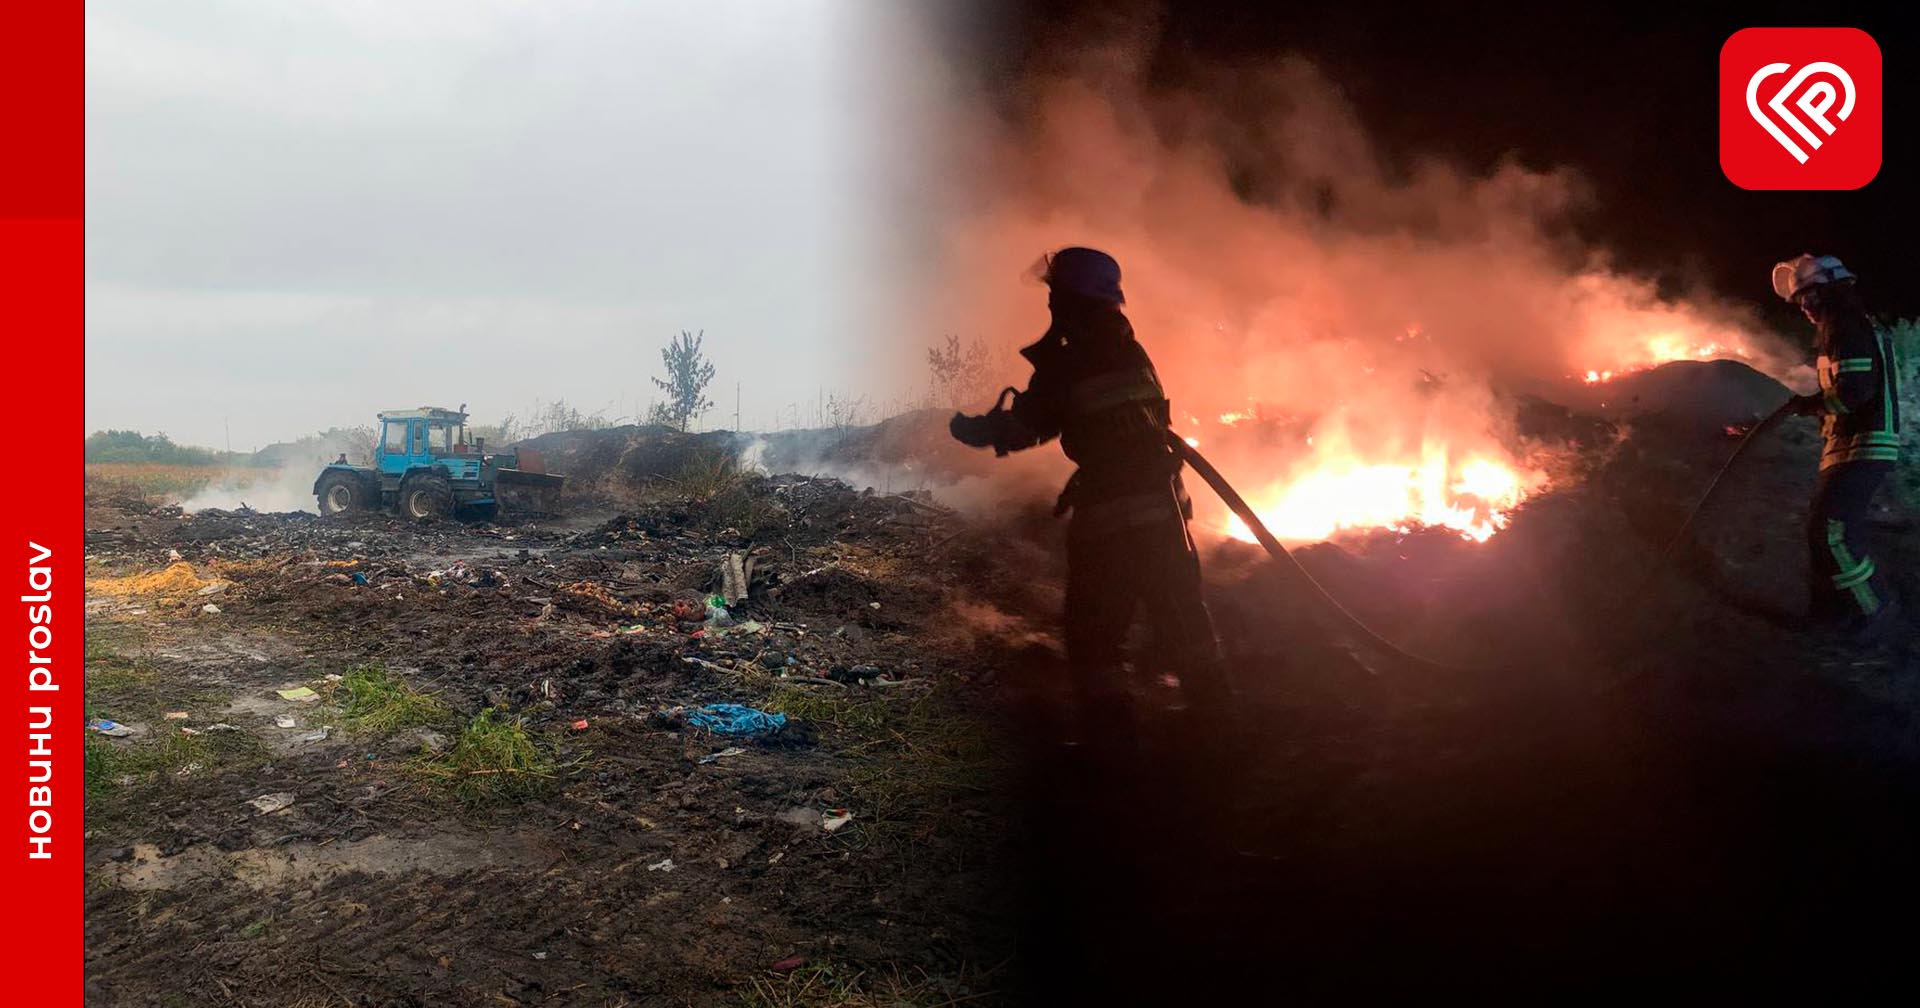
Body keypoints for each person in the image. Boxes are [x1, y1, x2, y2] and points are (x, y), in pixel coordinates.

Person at [949, 247, 1234, 750]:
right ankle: (1221, 732)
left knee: (1096, 637)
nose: (1052, 301)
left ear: (1070, 297)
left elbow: (1027, 424)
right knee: (1186, 624)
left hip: (1111, 522)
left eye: (1056, 292)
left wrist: (973, 429)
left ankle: (1111, 748)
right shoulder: (1130, 350)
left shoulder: (1071, 357)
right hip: (1166, 512)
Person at [1772, 253, 1903, 640]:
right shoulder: (1843, 323)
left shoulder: (1843, 323)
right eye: (1800, 303)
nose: (1805, 309)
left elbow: (1856, 392)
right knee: (1821, 530)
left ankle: (1871, 607)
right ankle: (1830, 613)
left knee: (1832, 532)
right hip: (1850, 445)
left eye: (1808, 298)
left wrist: (1807, 405)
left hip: (1865, 443)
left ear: (1828, 290)